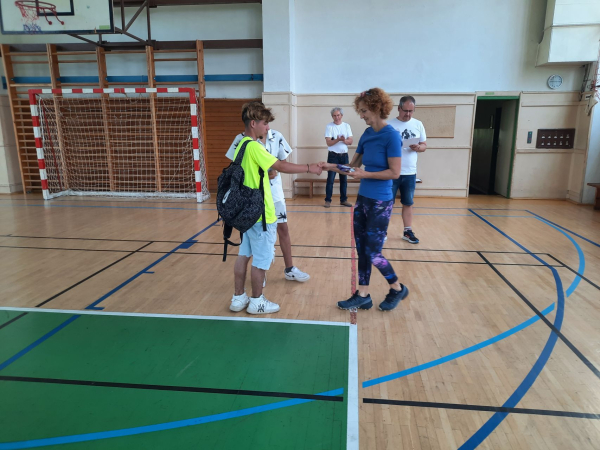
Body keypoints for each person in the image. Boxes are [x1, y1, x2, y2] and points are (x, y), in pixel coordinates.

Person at [229, 102, 322, 314]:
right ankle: (257, 301)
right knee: (261, 261)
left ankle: (238, 297)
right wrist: (309, 167)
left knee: (243, 255)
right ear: (253, 123)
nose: (268, 127)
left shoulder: (241, 144)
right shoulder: (255, 147)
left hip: (246, 212)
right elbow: (280, 165)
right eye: (264, 123)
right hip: (261, 213)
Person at [321, 88, 409, 311]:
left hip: (381, 202)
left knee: (373, 252)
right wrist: (329, 166)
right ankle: (363, 294)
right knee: (361, 249)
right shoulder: (367, 135)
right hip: (363, 199)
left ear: (377, 108)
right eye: (360, 111)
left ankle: (397, 288)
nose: (361, 116)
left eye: (364, 111)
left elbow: (395, 172)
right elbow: (353, 167)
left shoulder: (391, 136)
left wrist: (366, 174)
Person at [388, 96, 427, 244]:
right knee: (387, 203)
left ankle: (407, 231)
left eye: (411, 111)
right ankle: (382, 231)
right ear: (399, 108)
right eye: (405, 111)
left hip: (410, 172)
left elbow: (424, 145)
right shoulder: (389, 125)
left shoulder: (418, 124)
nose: (408, 114)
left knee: (408, 203)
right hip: (391, 171)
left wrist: (419, 147)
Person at [324, 108, 353, 208]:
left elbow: (350, 141)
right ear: (332, 116)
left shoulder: (346, 126)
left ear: (341, 115)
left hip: (344, 156)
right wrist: (338, 139)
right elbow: (328, 142)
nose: (337, 117)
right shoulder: (329, 126)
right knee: (330, 179)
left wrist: (343, 140)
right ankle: (328, 200)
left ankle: (343, 200)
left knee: (344, 179)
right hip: (333, 156)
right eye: (334, 115)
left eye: (338, 115)